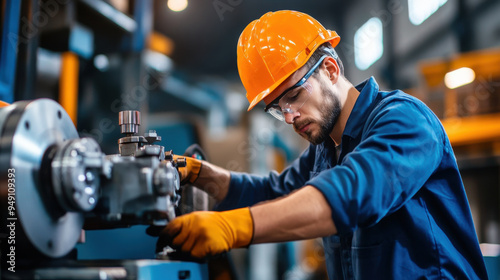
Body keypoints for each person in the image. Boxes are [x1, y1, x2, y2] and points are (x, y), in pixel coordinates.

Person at [154, 10, 488, 279]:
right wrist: (202, 175)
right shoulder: (325, 150)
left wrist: (233, 227)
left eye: (294, 96)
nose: (288, 117)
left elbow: (352, 195)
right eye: (276, 108)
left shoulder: (404, 120)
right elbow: (276, 194)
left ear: (330, 69)